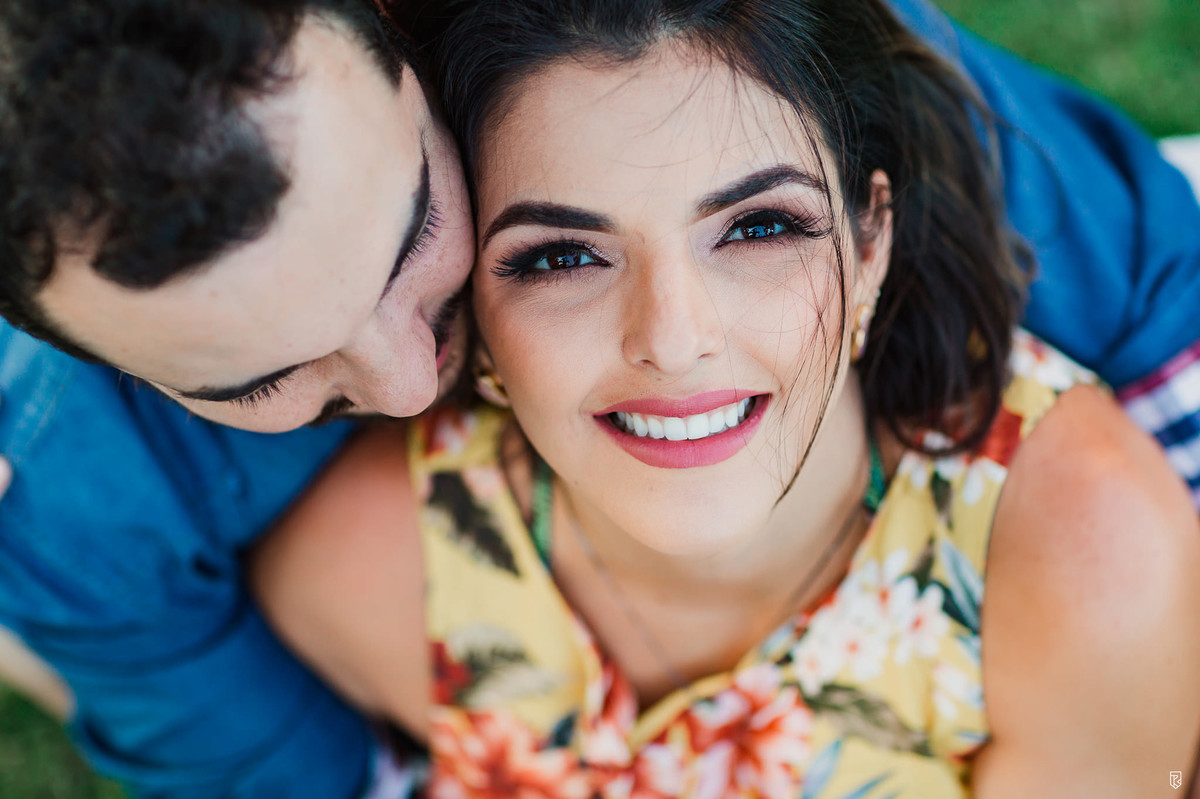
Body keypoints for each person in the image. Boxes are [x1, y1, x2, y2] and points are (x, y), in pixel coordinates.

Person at [0, 0, 1198, 796]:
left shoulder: (735, 64)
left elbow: (1154, 299)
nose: (413, 383)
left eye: (415, 235)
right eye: (559, 256)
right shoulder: (102, 503)